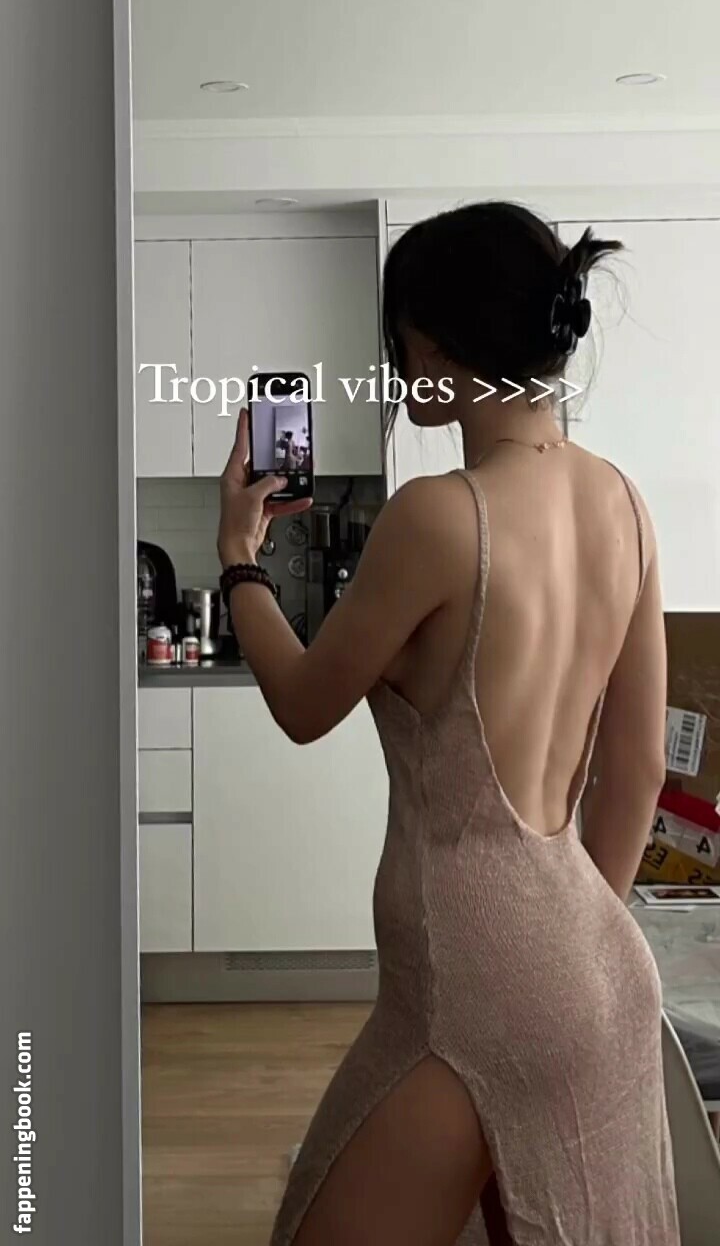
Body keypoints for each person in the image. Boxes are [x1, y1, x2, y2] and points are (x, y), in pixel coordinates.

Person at [216, 202, 679, 1245]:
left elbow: (303, 702)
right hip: (596, 963)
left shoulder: (438, 514)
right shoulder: (624, 503)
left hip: (470, 983)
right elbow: (639, 768)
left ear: (431, 345)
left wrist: (239, 555)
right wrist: (564, 955)